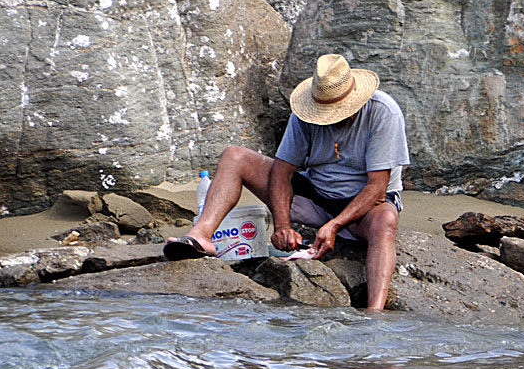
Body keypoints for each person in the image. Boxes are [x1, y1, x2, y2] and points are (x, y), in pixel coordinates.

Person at [163, 53, 410, 311]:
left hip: (366, 207)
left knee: (386, 222)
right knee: (234, 156)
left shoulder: (384, 112)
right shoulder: (306, 112)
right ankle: (201, 236)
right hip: (315, 196)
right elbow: (282, 172)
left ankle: (374, 312)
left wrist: (335, 225)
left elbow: (377, 188)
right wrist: (282, 225)